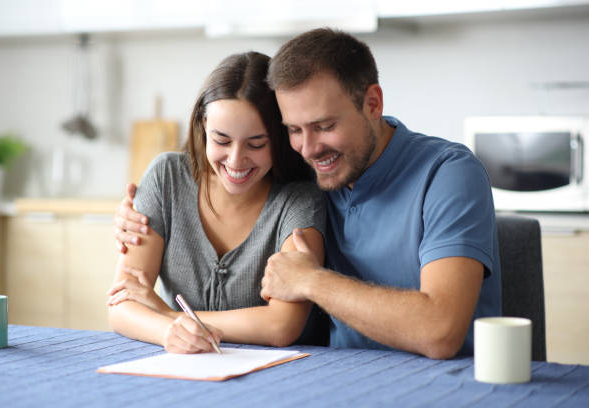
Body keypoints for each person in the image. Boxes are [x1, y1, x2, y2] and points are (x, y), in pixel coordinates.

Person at [115, 29, 501, 360]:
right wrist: (133, 215)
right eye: (294, 130)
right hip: (335, 378)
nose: (309, 148)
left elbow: (440, 331)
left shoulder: (447, 173)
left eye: (324, 125)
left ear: (373, 104)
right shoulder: (315, 175)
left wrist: (311, 281)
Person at [108, 51, 326, 354]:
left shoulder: (300, 199)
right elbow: (122, 302)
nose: (236, 160)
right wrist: (166, 332)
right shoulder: (166, 177)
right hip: (189, 365)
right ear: (202, 127)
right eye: (221, 140)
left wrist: (171, 315)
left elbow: (280, 326)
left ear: (278, 137)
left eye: (256, 144)